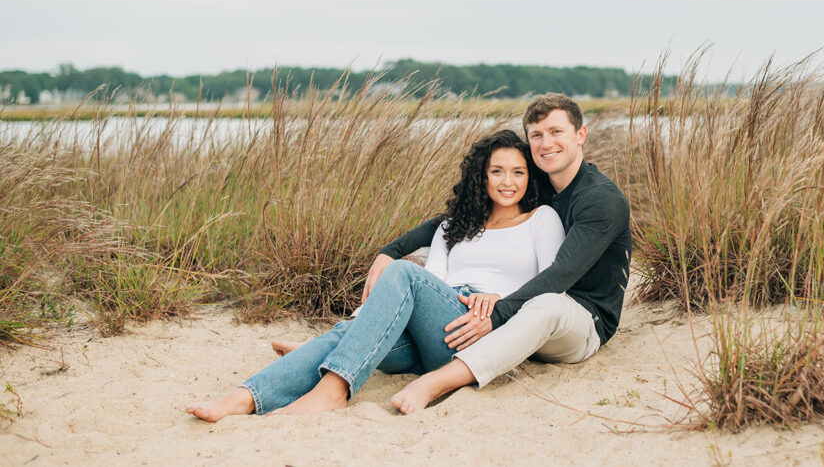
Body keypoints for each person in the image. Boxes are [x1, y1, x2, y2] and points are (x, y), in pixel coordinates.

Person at [185, 129, 564, 421]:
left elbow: (551, 288)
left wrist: (500, 302)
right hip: (436, 326)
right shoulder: (455, 225)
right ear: (480, 177)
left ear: (531, 177)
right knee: (351, 333)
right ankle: (246, 397)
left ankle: (334, 389)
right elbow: (430, 285)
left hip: (481, 328)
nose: (508, 181)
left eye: (518, 172)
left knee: (401, 273)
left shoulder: (541, 220)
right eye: (496, 171)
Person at [380, 93, 632, 414]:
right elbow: (453, 219)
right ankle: (331, 351)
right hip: (520, 321)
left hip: (582, 320)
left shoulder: (600, 198)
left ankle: (438, 382)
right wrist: (390, 251)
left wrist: (497, 311)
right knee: (424, 331)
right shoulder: (539, 177)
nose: (546, 143)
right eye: (537, 135)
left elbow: (561, 274)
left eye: (556, 132)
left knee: (547, 304)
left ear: (580, 135)